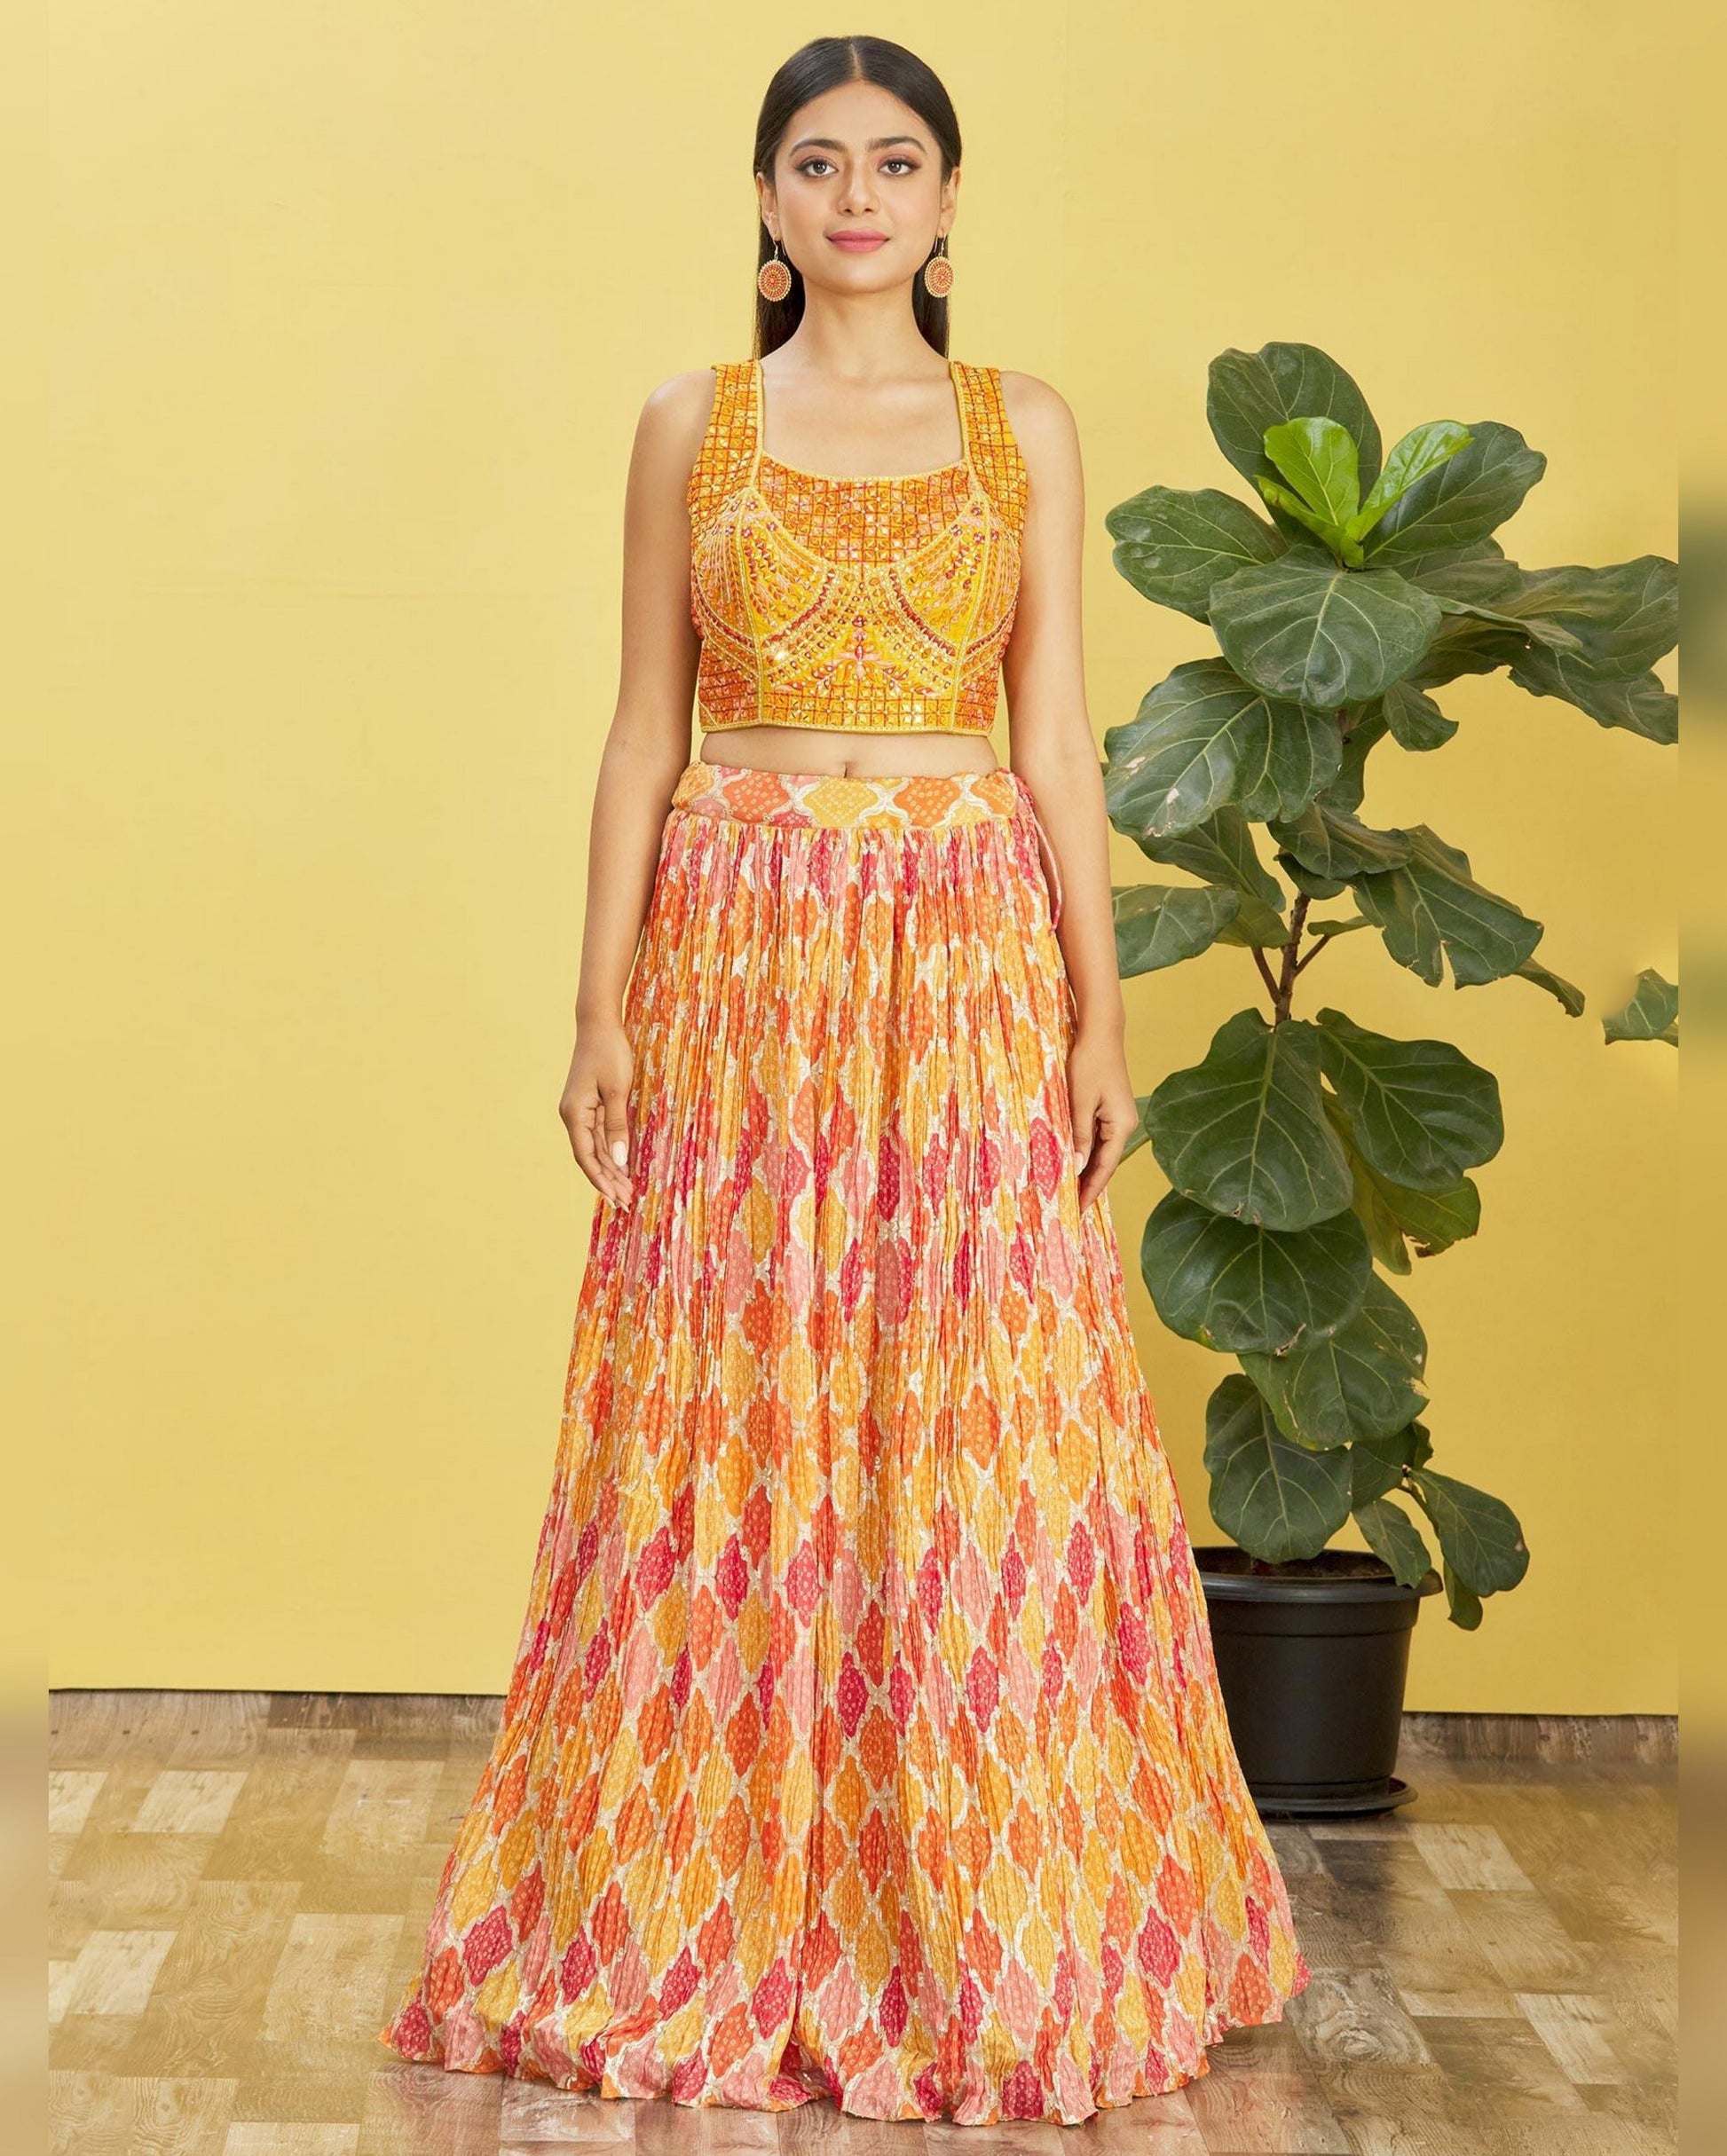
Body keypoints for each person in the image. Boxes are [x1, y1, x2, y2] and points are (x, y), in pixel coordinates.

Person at [379, 32, 1310, 2130]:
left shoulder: (1025, 427)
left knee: (984, 1419)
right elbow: (639, 732)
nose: (860, 195)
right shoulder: (688, 425)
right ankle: (699, 1901)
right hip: (737, 950)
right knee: (730, 1408)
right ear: (769, 203)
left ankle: (985, 1909)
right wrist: (597, 1005)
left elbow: (1059, 735)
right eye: (819, 163)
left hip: (966, 939)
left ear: (952, 199)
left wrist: (1099, 1005)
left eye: (898, 161)